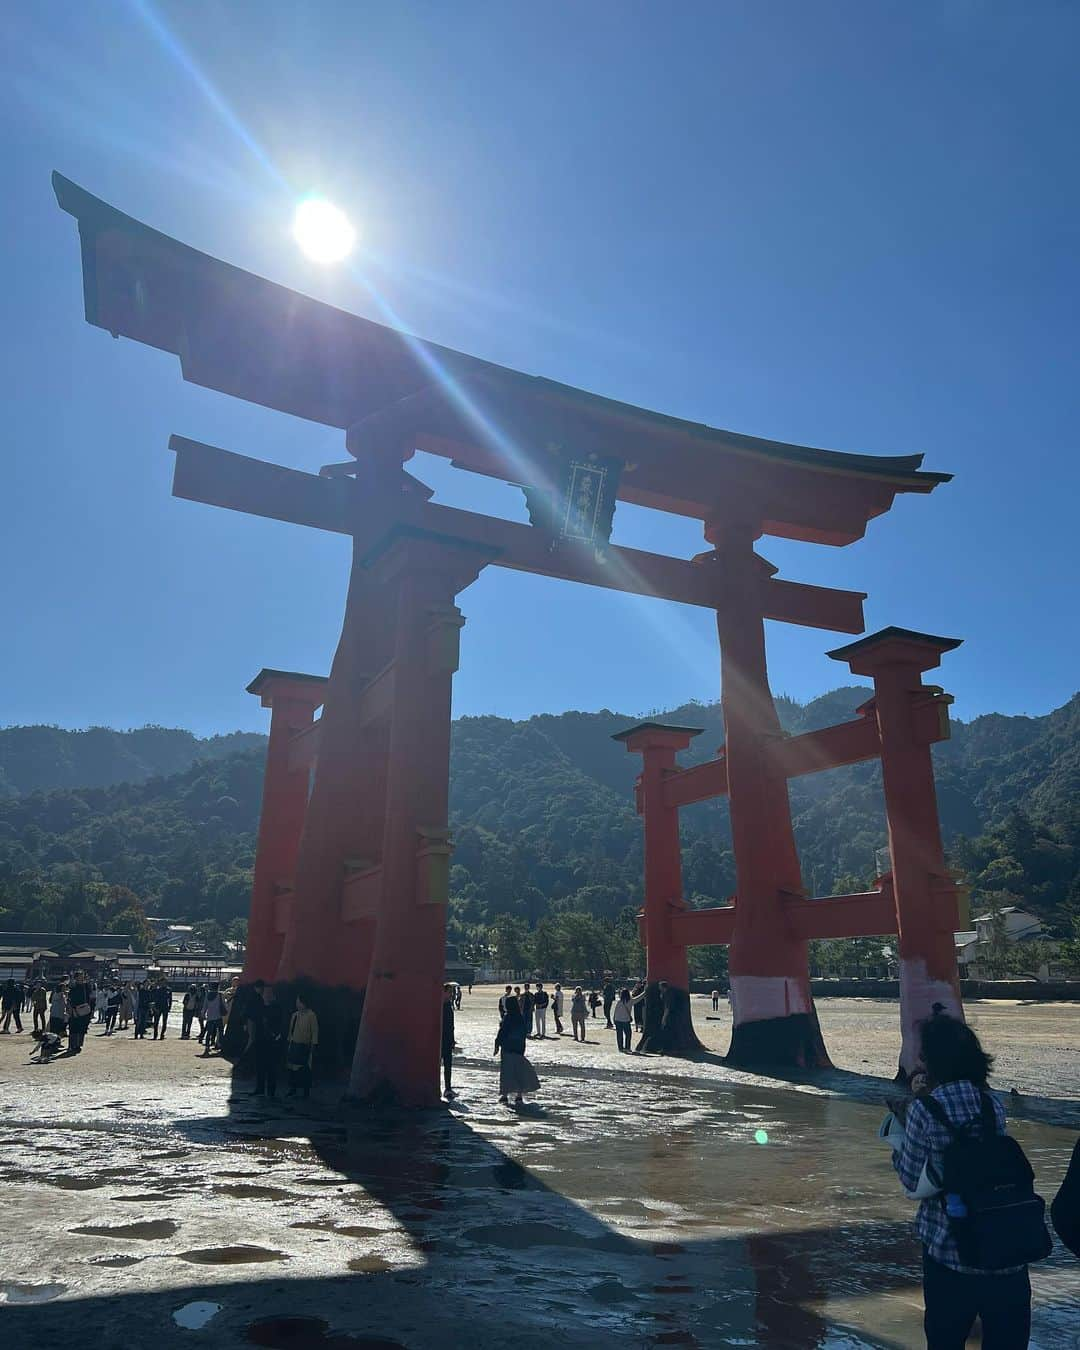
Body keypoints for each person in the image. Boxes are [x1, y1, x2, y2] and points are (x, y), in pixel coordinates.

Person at [892, 1013, 1033, 1348]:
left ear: (931, 1062)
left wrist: (903, 1124)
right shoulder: (992, 1105)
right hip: (1005, 1250)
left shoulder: (924, 1110)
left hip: (949, 1254)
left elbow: (911, 1180)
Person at [493, 995, 540, 1107]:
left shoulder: (508, 1017)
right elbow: (524, 1032)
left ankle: (505, 1094)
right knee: (518, 1071)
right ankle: (519, 1094)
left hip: (508, 1048)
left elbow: (502, 1032)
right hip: (519, 1048)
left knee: (507, 1072)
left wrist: (497, 1045)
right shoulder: (520, 1017)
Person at [247, 980, 284, 1097]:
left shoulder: (276, 1008)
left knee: (271, 1067)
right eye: (265, 994)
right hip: (260, 1039)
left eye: (268, 994)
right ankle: (260, 1088)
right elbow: (253, 1020)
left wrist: (276, 1035)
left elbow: (280, 1023)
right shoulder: (260, 1007)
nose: (266, 996)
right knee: (260, 1065)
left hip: (272, 1041)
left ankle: (271, 1090)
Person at [286, 992, 319, 1101]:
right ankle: (293, 1088)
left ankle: (306, 1091)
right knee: (292, 1068)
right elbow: (291, 1030)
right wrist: (289, 1042)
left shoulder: (311, 1015)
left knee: (305, 1069)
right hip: (294, 1044)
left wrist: (313, 1045)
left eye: (298, 1001)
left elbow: (314, 1031)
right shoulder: (295, 1015)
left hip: (305, 1045)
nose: (297, 1004)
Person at [67, 970, 93, 1054]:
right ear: (76, 977)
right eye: (80, 976)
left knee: (82, 1028)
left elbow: (90, 997)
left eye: (82, 976)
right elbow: (70, 998)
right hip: (74, 1009)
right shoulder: (73, 986)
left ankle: (78, 1045)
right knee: (73, 1027)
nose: (81, 977)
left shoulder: (86, 986)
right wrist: (72, 1009)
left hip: (84, 1009)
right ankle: (72, 1045)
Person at [440, 982, 456, 1099]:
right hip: (441, 1040)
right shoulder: (442, 1006)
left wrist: (453, 1040)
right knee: (440, 1065)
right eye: (449, 992)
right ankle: (442, 1088)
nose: (451, 994)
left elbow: (451, 1026)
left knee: (448, 1065)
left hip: (448, 1039)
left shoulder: (448, 1005)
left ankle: (448, 1087)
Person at [201, 984, 226, 1055]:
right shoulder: (220, 995)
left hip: (210, 1017)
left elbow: (205, 1006)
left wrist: (203, 1014)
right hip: (218, 1017)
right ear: (218, 987)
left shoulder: (208, 995)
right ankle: (221, 1047)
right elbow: (224, 1005)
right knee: (221, 1032)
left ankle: (207, 1047)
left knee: (209, 1033)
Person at [612, 987, 634, 1052]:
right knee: (628, 1034)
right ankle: (627, 1047)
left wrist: (614, 1019)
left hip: (618, 1020)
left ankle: (620, 1048)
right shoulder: (630, 1001)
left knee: (619, 1035)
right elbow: (638, 998)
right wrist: (644, 992)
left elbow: (616, 1011)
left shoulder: (619, 1002)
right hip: (626, 1020)